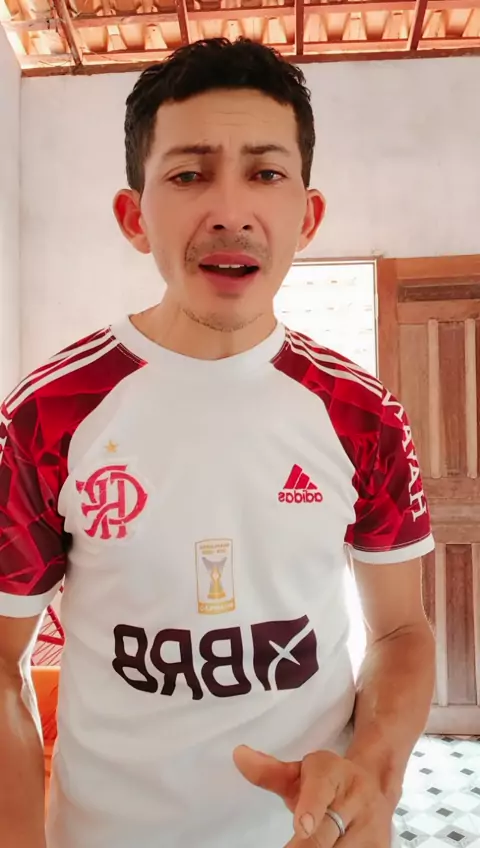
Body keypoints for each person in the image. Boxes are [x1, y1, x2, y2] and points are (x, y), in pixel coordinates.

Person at [0, 37, 436, 848]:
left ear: (307, 216)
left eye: (265, 173)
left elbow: (401, 633)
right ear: (135, 217)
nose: (231, 210)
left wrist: (374, 770)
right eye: (189, 174)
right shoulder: (46, 416)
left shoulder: (364, 416)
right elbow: (2, 660)